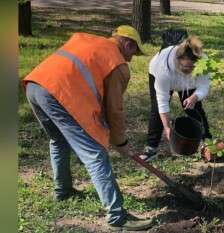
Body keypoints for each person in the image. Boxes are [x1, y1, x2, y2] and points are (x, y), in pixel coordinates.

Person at [23, 25, 154, 231]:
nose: (131, 59)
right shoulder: (117, 63)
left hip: (35, 85)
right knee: (95, 154)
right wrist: (120, 141)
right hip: (60, 95)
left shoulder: (89, 40)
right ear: (128, 44)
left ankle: (63, 191)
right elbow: (114, 109)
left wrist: (110, 133)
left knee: (58, 140)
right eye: (134, 53)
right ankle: (117, 216)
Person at [140, 35, 213, 161]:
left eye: (192, 68)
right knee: (157, 109)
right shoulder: (163, 69)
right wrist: (167, 128)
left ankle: (206, 141)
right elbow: (162, 101)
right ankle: (151, 148)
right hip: (161, 74)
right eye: (186, 67)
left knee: (194, 107)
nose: (189, 70)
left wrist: (195, 96)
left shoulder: (203, 63)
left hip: (188, 83)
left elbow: (204, 86)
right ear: (178, 60)